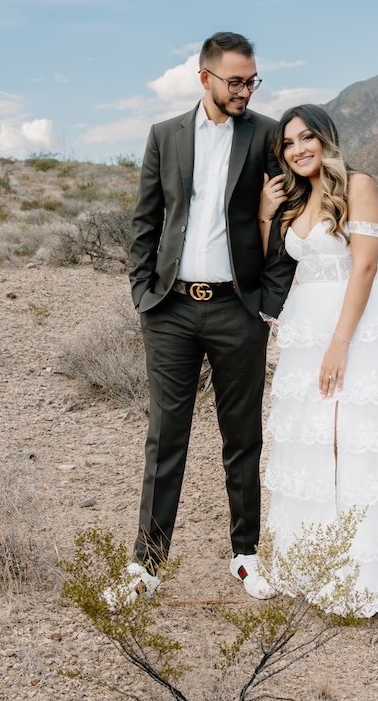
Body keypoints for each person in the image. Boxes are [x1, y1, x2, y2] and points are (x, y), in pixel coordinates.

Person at [119, 32, 297, 605]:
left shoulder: (267, 134)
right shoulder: (164, 135)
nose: (245, 90)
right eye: (235, 81)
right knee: (165, 437)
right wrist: (142, 292)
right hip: (169, 309)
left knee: (241, 437)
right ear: (205, 79)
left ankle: (246, 555)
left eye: (252, 81)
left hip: (236, 309)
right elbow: (147, 220)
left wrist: (269, 301)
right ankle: (146, 565)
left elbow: (288, 216)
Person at [258, 104, 378, 617]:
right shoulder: (296, 198)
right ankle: (313, 562)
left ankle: (361, 573)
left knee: (353, 439)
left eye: (307, 137)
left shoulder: (358, 185)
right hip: (306, 330)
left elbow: (366, 266)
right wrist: (266, 214)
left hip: (353, 327)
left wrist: (340, 342)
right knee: (312, 441)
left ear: (327, 139)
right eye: (288, 143)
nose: (298, 149)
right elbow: (269, 263)